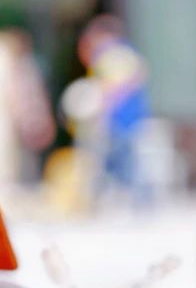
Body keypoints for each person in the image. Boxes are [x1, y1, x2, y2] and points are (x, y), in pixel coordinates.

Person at [52, 14, 152, 210]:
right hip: (127, 121)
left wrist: (100, 104)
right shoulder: (124, 53)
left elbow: (115, 87)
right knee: (124, 165)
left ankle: (128, 204)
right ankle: (131, 203)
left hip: (118, 122)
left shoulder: (112, 55)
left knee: (117, 165)